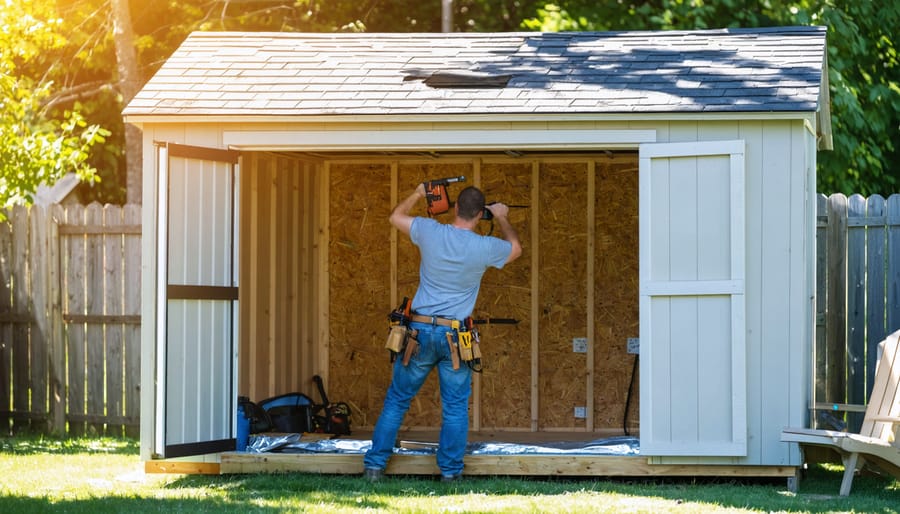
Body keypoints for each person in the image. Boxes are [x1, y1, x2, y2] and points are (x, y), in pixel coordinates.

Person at [363, 183, 522, 482]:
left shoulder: (429, 230)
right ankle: (450, 474)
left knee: (397, 400)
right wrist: (501, 217)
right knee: (455, 407)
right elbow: (516, 249)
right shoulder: (484, 247)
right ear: (480, 214)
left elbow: (395, 217)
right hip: (455, 337)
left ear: (455, 208)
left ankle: (374, 467)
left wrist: (419, 193)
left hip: (419, 333)